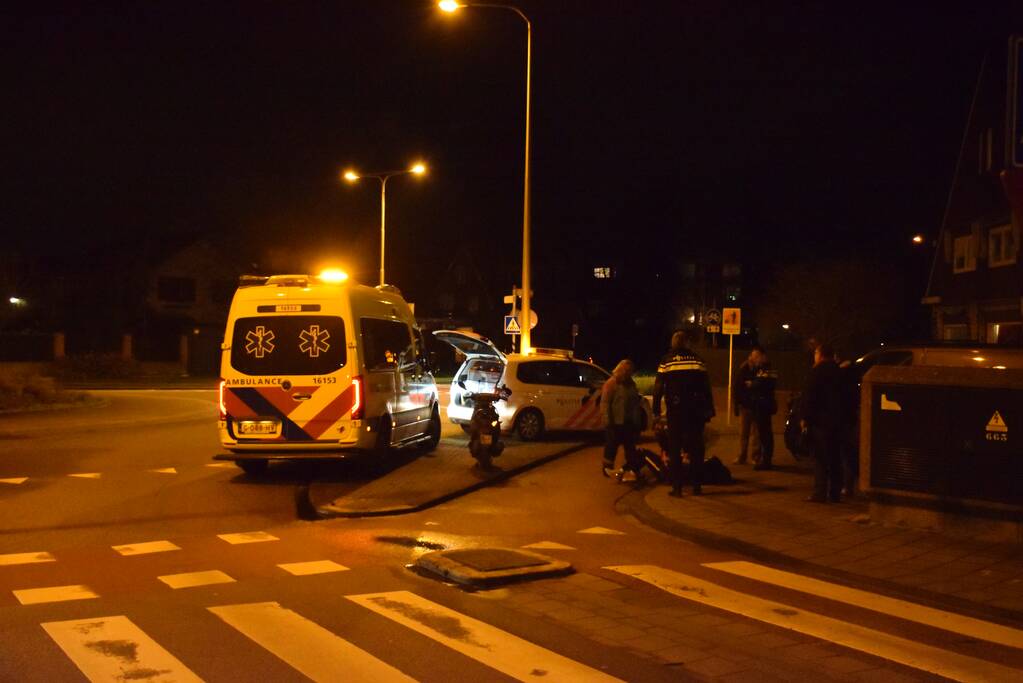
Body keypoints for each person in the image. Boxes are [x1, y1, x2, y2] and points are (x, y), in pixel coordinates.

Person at [652, 330, 715, 497]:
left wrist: (656, 410)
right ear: (687, 343)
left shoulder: (666, 361)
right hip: (695, 410)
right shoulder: (697, 360)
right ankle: (696, 486)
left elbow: (658, 388)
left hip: (676, 410)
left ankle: (677, 487)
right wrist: (709, 409)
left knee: (675, 448)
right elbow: (706, 387)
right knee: (696, 447)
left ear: (673, 343)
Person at [801, 342, 846, 502]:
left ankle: (819, 492)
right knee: (835, 457)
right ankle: (835, 492)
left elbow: (810, 397)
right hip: (837, 421)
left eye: (815, 353)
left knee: (820, 458)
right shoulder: (840, 372)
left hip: (820, 422)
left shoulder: (816, 372)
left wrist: (805, 419)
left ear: (820, 355)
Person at [600, 359, 644, 483]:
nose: (628, 373)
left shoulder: (631, 385)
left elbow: (635, 404)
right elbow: (605, 404)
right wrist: (608, 421)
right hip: (615, 422)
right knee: (611, 446)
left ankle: (632, 469)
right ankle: (607, 469)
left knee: (630, 448)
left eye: (630, 371)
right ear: (620, 370)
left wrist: (637, 421)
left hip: (628, 422)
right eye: (626, 371)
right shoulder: (611, 384)